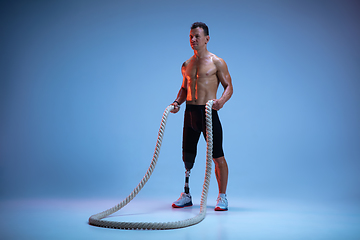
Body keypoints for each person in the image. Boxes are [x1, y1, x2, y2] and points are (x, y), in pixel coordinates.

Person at [170, 22, 233, 211]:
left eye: (197, 36)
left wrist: (221, 101)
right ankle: (187, 194)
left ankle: (222, 197)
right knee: (187, 156)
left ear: (207, 39)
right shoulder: (186, 64)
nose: (193, 40)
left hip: (208, 113)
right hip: (190, 114)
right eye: (190, 36)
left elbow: (229, 86)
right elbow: (183, 89)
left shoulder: (217, 62)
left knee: (217, 156)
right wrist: (176, 103)